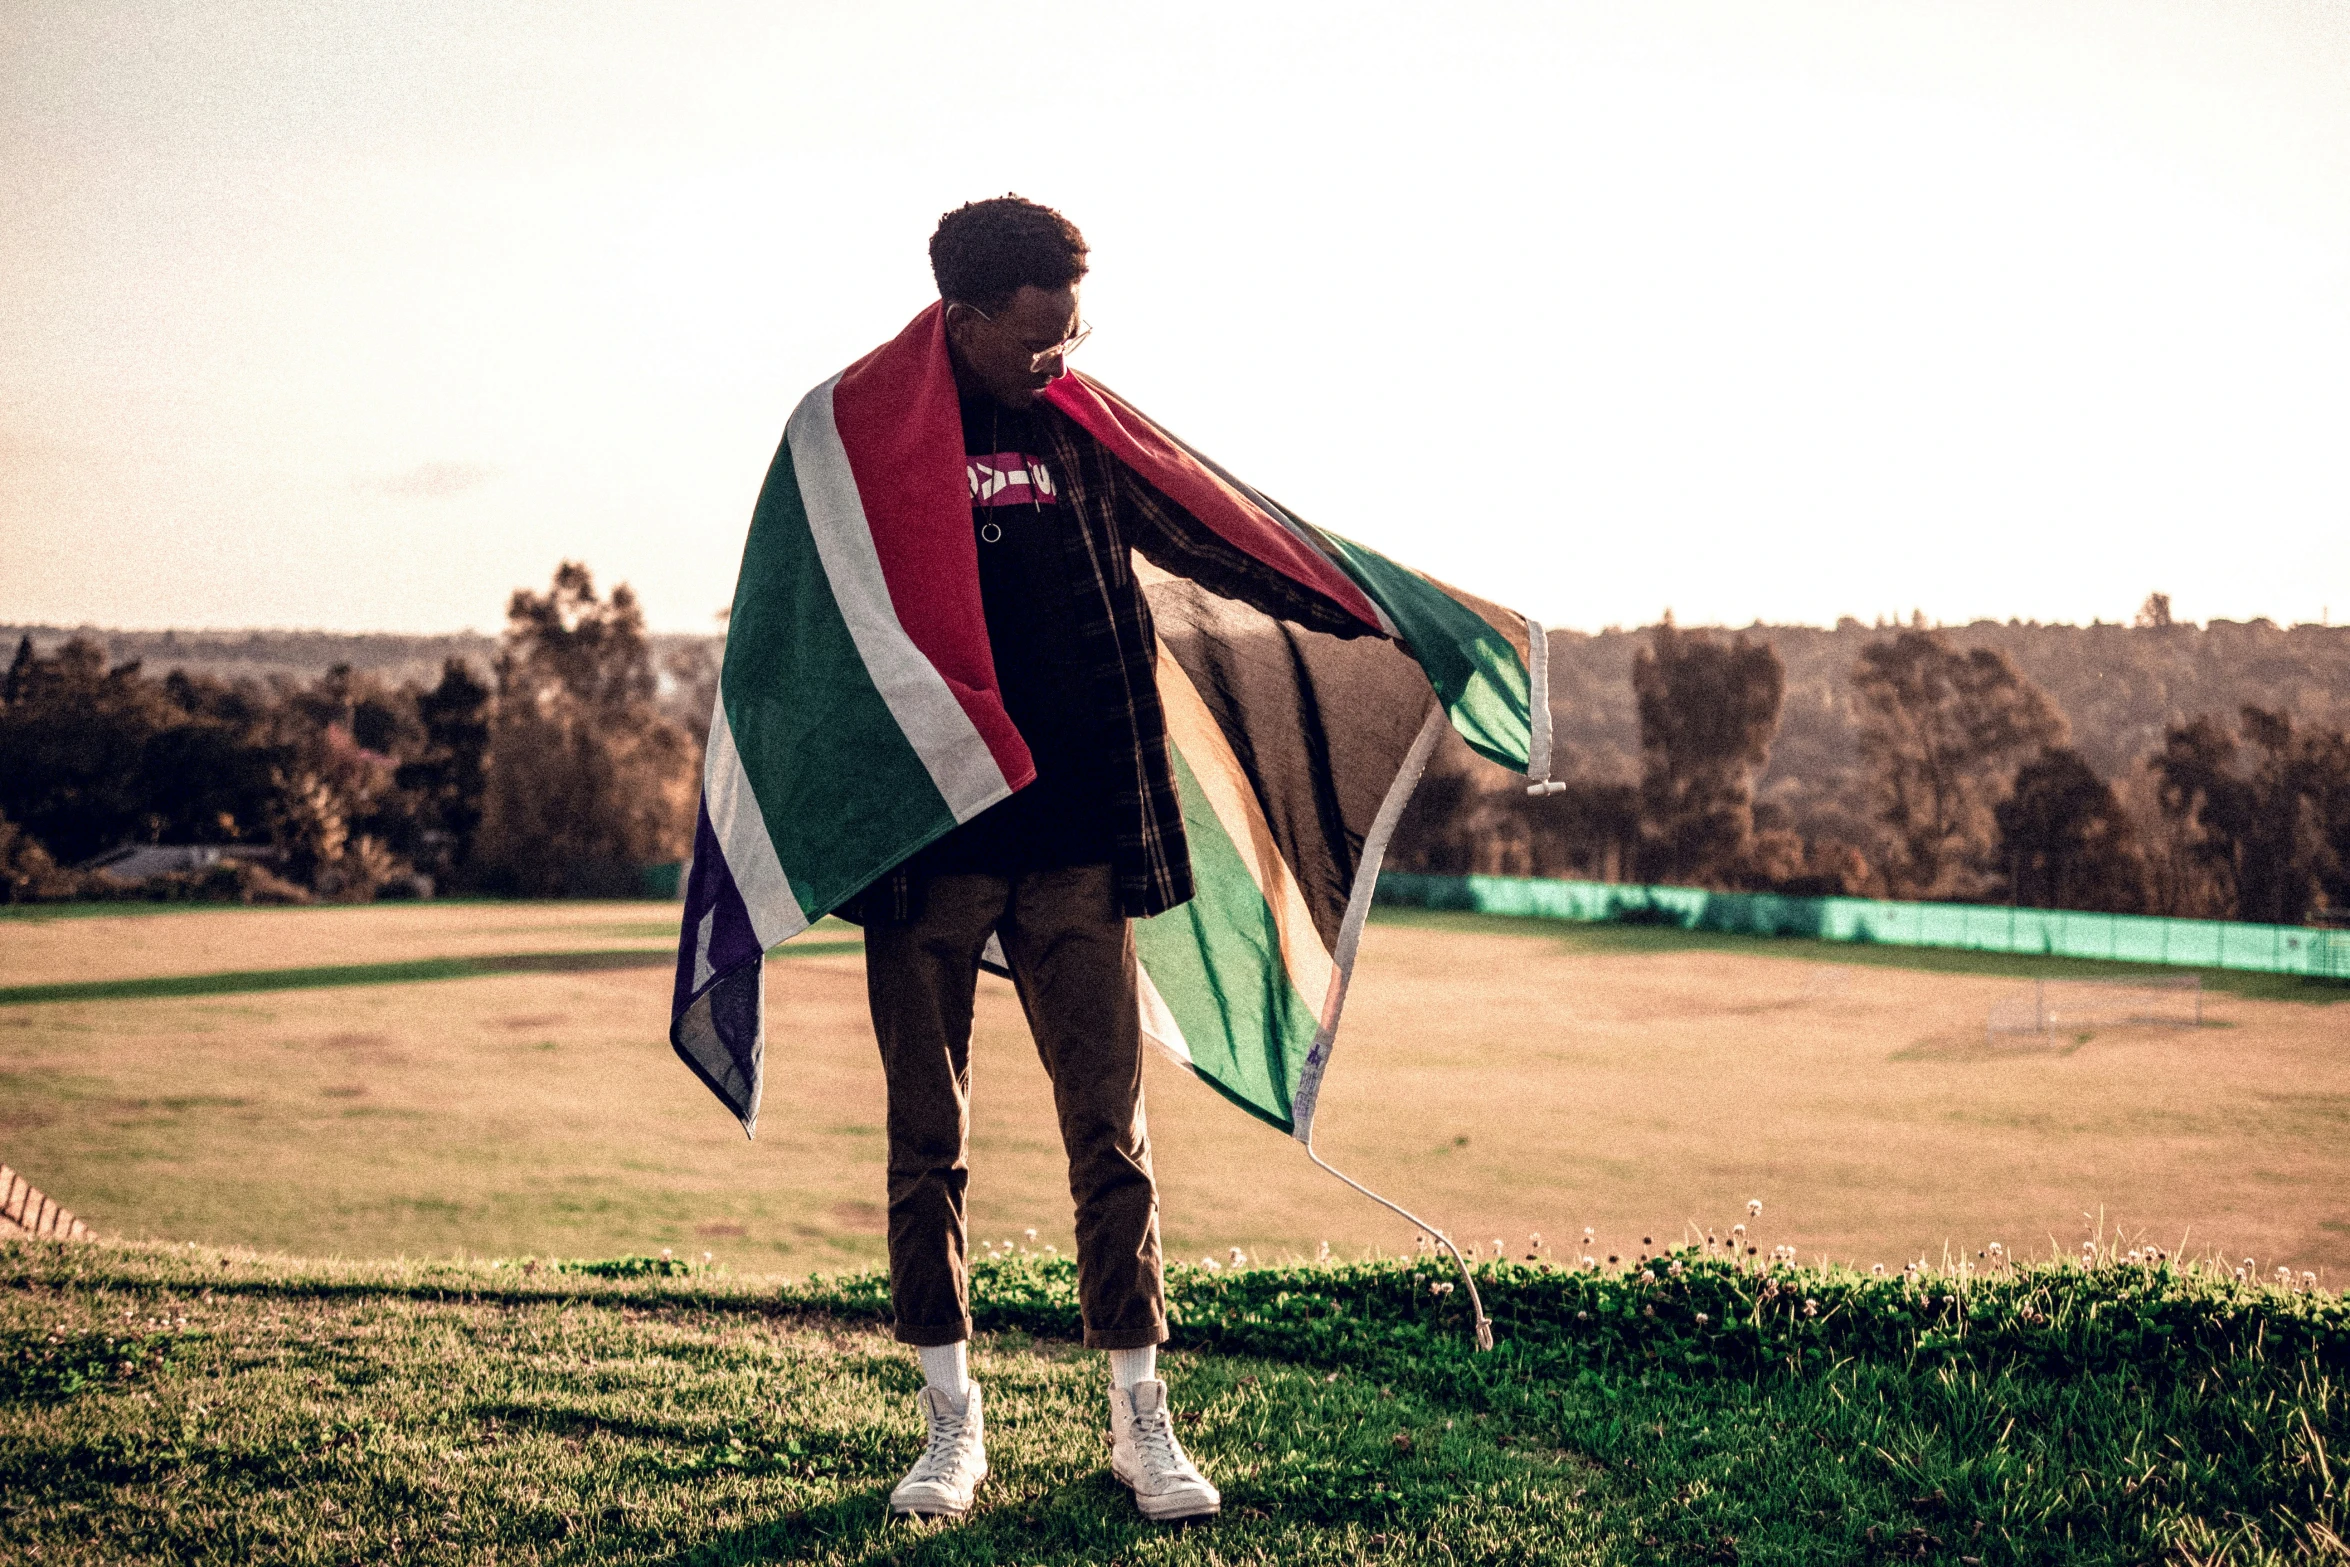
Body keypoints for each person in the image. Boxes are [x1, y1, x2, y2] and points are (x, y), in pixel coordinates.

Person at [861, 195, 1372, 1524]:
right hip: (931, 853)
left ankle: (1140, 1422)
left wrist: (1375, 609)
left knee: (1114, 1142)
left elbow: (1225, 534)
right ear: (964, 321)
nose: (1061, 356)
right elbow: (808, 642)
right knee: (928, 1143)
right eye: (1037, 339)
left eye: (1075, 329)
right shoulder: (864, 438)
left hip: (1079, 845)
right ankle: (948, 1427)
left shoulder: (1085, 430)